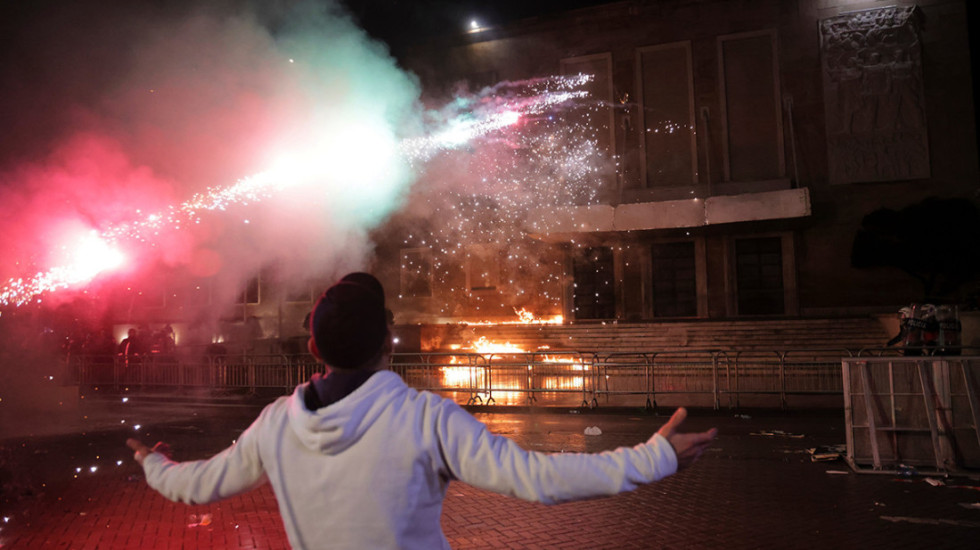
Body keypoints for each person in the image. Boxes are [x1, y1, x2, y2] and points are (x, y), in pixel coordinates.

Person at [126, 272, 717, 549]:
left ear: (313, 348)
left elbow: (199, 485)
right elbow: (537, 479)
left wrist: (154, 464)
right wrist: (654, 456)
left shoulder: (276, 424)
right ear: (390, 337)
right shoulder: (427, 419)